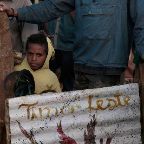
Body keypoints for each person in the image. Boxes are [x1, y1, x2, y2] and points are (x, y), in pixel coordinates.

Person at [0, 0, 144, 90]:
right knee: (82, 127)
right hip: (80, 68)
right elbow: (52, 7)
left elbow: (141, 22)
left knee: (103, 129)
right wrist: (15, 12)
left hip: (108, 70)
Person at [46, 13, 75, 91]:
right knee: (49, 77)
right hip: (51, 46)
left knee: (68, 80)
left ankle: (68, 99)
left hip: (69, 48)